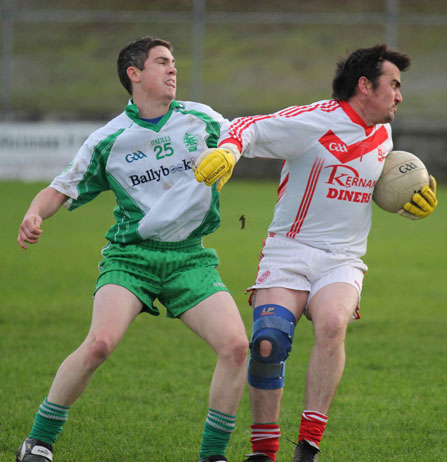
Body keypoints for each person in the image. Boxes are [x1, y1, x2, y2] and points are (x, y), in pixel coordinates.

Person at [193, 44, 438, 462]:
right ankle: (264, 451)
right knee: (268, 343)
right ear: (365, 85)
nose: (399, 95)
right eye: (393, 85)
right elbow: (246, 125)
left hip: (343, 259)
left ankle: (307, 448)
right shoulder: (314, 121)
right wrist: (228, 151)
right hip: (289, 251)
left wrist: (414, 202)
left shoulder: (384, 134)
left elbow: (381, 184)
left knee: (331, 324)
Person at [16, 36, 249, 462]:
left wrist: (233, 151)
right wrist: (34, 213)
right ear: (135, 74)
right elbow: (61, 187)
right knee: (100, 343)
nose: (173, 69)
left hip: (190, 257)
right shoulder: (110, 139)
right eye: (163, 62)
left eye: (175, 62)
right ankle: (38, 442)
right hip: (131, 258)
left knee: (236, 347)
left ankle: (213, 456)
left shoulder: (202, 119)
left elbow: (248, 134)